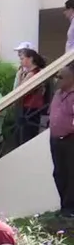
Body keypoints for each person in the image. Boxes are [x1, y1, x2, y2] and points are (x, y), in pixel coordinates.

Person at [49, 62, 74, 218]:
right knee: (58, 173)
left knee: (71, 174)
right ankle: (64, 205)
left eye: (61, 77)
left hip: (70, 140)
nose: (57, 80)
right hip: (56, 139)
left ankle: (70, 209)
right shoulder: (58, 94)